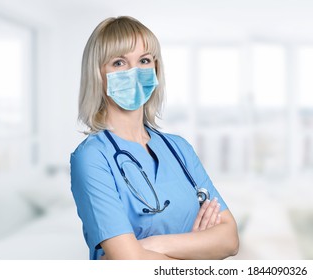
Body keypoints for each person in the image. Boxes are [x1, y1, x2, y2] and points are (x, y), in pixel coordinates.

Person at [70, 16, 239, 260]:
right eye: (119, 63)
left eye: (144, 60)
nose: (134, 72)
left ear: (156, 68)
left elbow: (230, 239)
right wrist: (199, 247)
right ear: (97, 74)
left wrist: (150, 245)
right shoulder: (92, 157)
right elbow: (130, 263)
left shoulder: (178, 148)